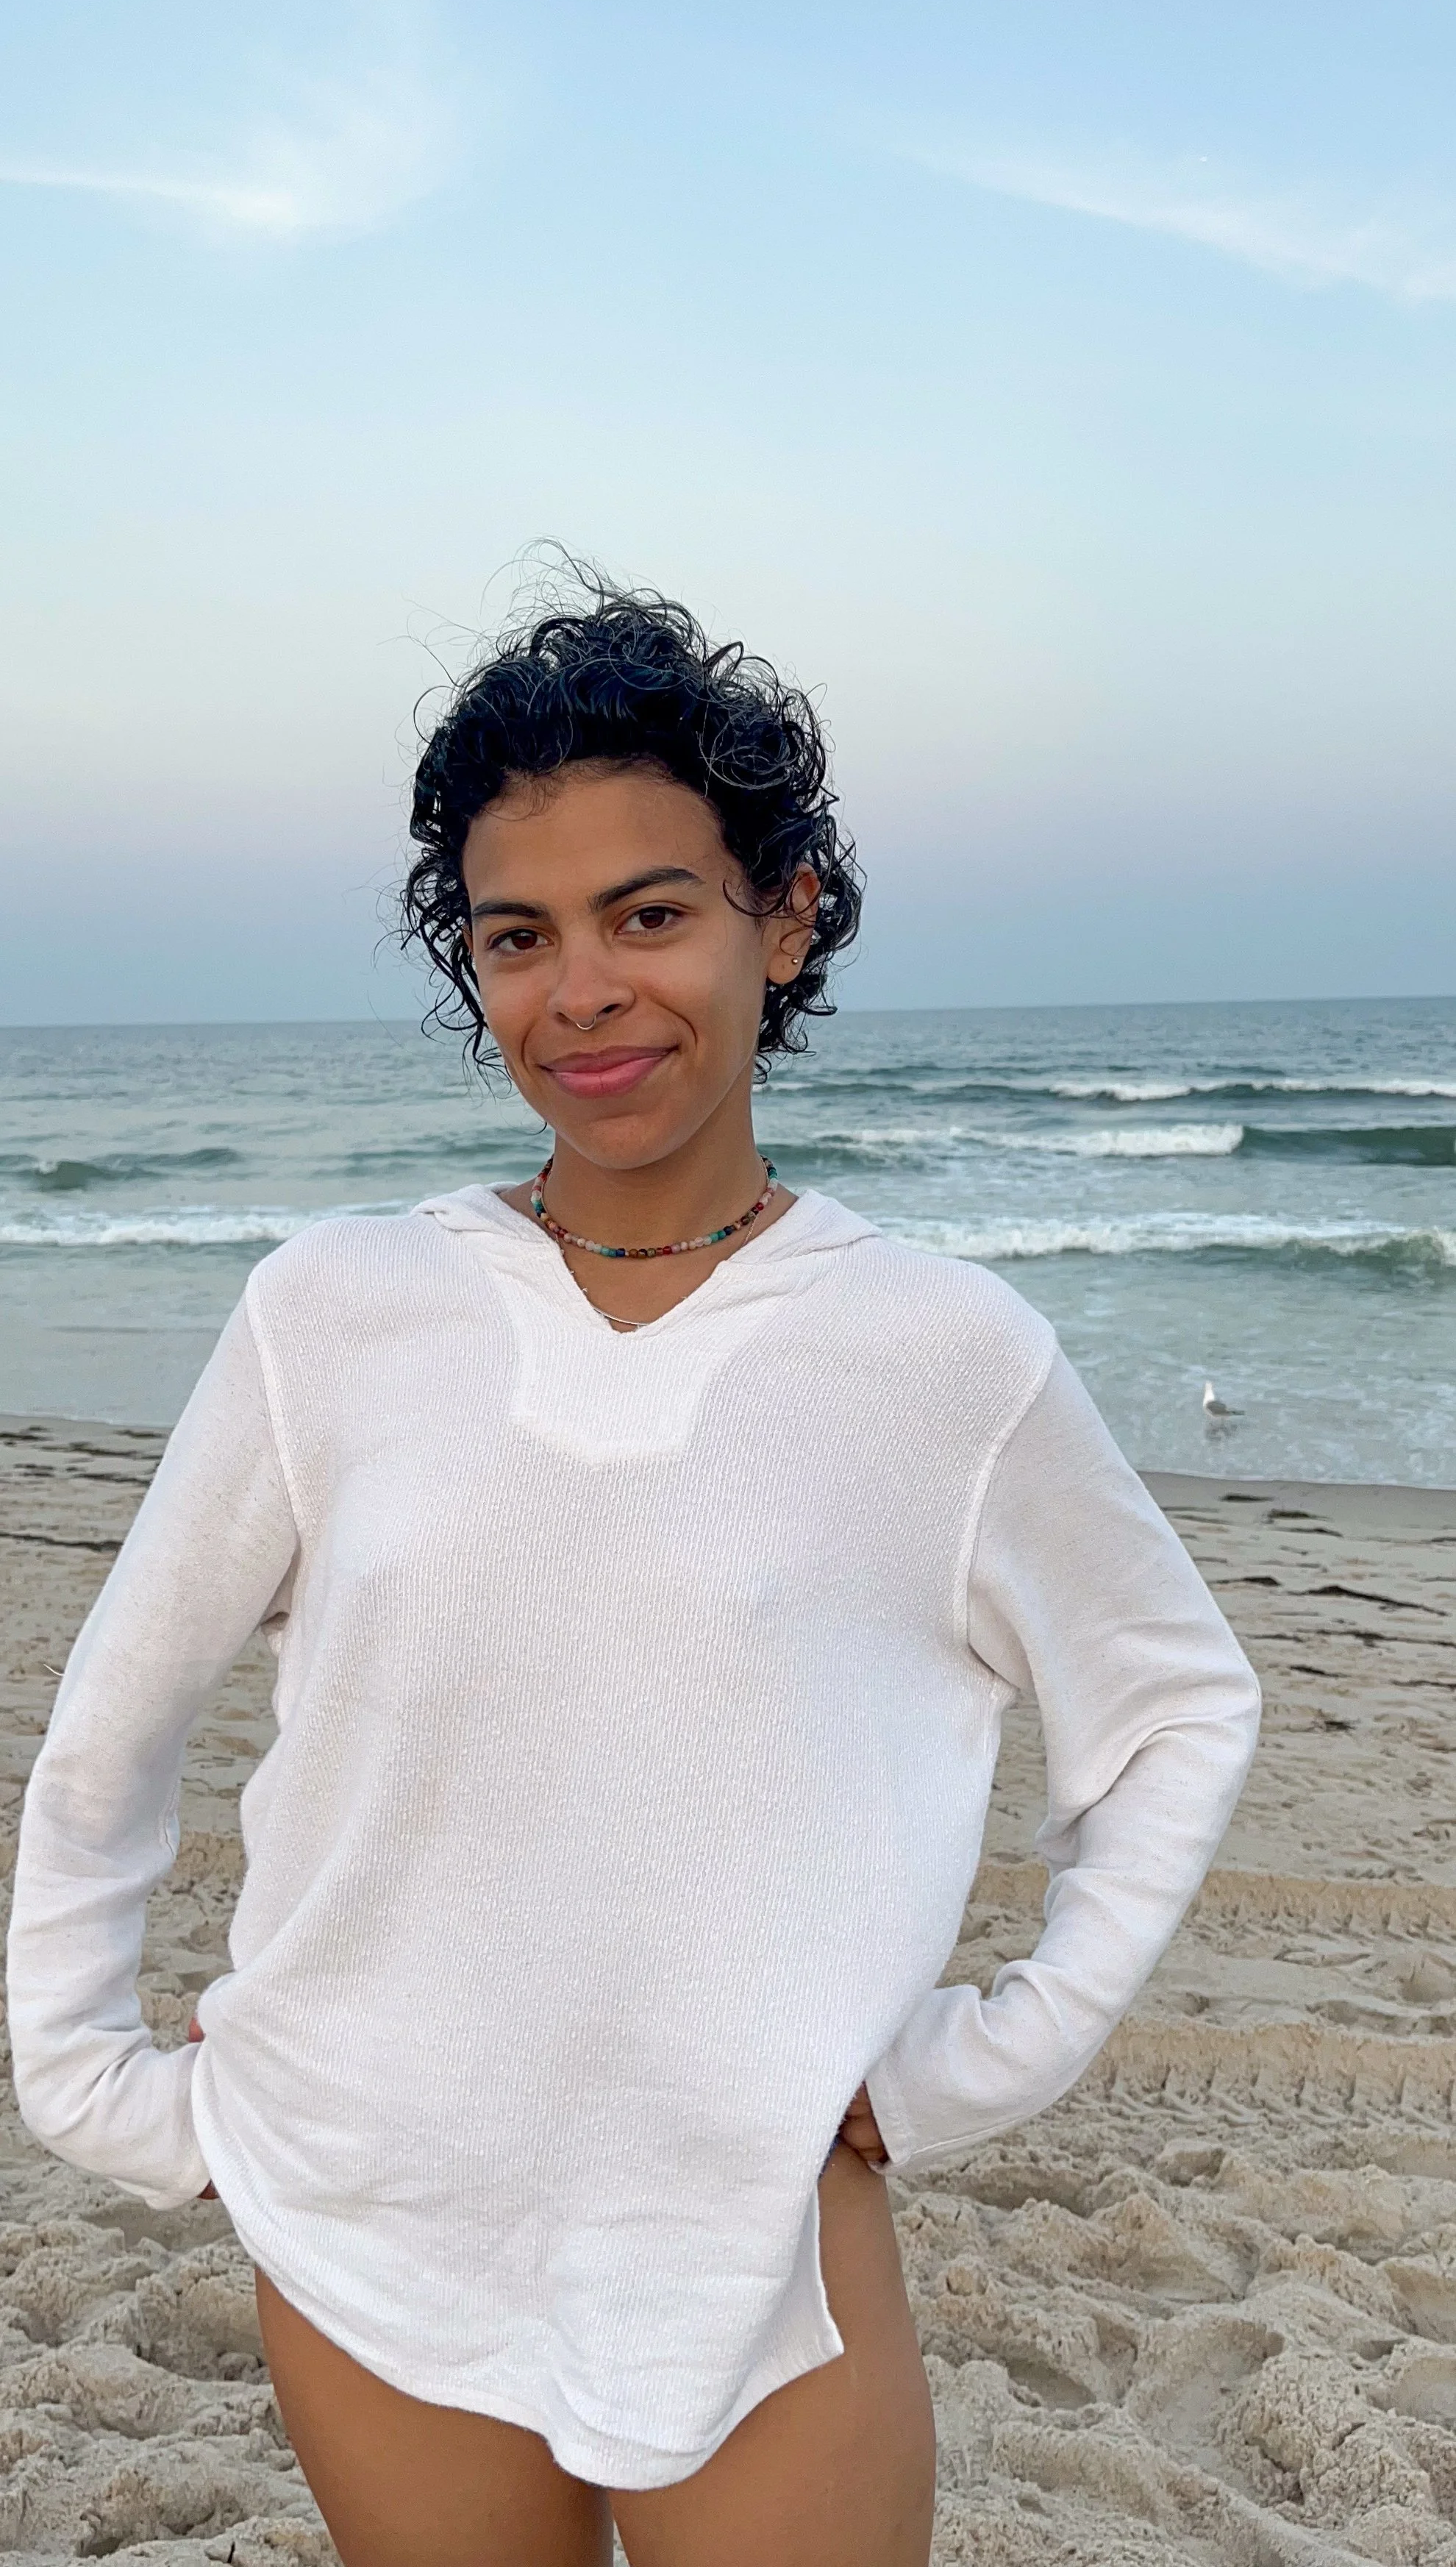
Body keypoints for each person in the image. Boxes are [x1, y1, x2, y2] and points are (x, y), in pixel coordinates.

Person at [7, 580, 1261, 2567]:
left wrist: (995, 2047)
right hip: (369, 2202)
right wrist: (89, 2079)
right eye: (519, 936)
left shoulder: (940, 1356)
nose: (582, 989)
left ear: (789, 914)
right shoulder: (332, 1314)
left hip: (755, 2210)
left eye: (650, 914)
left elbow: (1176, 1700)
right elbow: (113, 1725)